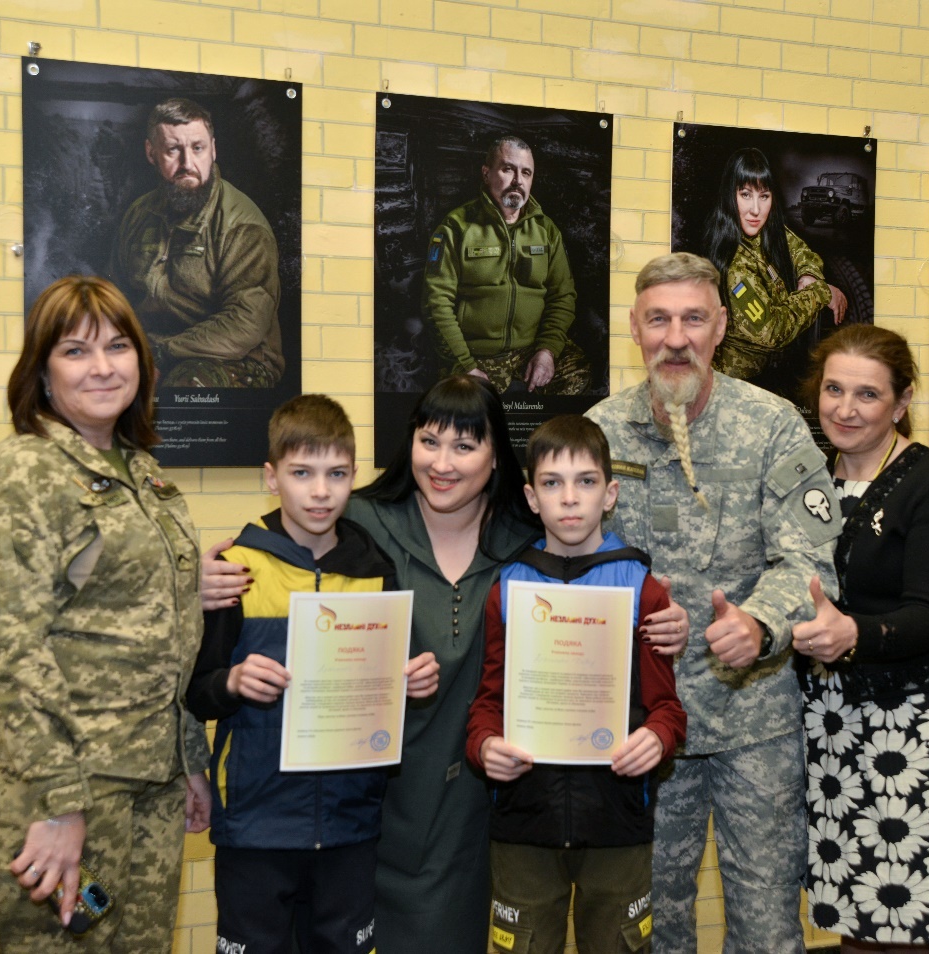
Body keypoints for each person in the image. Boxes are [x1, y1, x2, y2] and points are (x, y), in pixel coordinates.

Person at [199, 376, 689, 953]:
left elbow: (605, 581)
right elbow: (280, 551)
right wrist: (205, 580)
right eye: (430, 441)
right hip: (366, 798)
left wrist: (665, 621)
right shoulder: (359, 522)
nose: (443, 462)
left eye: (465, 445)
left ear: (495, 456)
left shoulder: (527, 540)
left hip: (494, 802)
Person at [0, 275, 212, 952]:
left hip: (144, 788)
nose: (102, 367)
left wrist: (188, 761)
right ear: (41, 371)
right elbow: (7, 655)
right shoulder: (20, 475)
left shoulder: (144, 475)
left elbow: (166, 631)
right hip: (58, 797)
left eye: (118, 347)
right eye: (75, 351)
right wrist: (58, 804)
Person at [586, 252, 841, 954]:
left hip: (753, 722)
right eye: (658, 319)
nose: (676, 337)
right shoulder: (599, 435)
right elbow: (562, 564)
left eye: (693, 318)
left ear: (720, 326)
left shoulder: (772, 425)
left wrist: (760, 623)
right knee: (647, 921)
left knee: (764, 924)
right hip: (642, 730)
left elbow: (811, 558)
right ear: (634, 330)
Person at [185, 394, 440, 954]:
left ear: (354, 476)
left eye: (337, 474)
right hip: (255, 822)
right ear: (272, 477)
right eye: (302, 473)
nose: (321, 491)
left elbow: (385, 687)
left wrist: (410, 682)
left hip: (350, 823)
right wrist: (232, 682)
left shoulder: (376, 570)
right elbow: (197, 692)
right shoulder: (237, 567)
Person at [793, 324, 929, 952]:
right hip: (832, 725)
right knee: (857, 912)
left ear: (902, 401)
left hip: (915, 725)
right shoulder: (806, 474)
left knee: (926, 917)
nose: (845, 408)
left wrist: (852, 632)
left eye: (867, 395)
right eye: (834, 389)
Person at [467, 414, 688, 954]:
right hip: (525, 822)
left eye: (586, 482)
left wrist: (657, 740)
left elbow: (668, 709)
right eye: (552, 483)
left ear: (610, 494)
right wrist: (483, 746)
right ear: (531, 496)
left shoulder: (642, 588)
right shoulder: (507, 587)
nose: (570, 498)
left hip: (615, 822)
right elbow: (488, 701)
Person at [109, 97, 283, 388]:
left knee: (187, 386)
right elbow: (115, 295)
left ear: (213, 150)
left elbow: (245, 324)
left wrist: (161, 351)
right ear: (151, 153)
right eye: (173, 150)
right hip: (151, 352)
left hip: (236, 359)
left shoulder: (242, 225)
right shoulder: (138, 214)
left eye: (198, 148)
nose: (187, 164)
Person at [422, 136, 588, 395]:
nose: (518, 181)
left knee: (579, 376)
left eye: (526, 173)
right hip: (476, 355)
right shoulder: (456, 227)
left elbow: (562, 296)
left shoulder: (546, 230)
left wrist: (546, 351)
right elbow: (436, 302)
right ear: (486, 173)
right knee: (476, 416)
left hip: (530, 350)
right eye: (508, 169)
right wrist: (465, 365)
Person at [702, 147, 846, 383]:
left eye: (764, 196)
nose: (756, 210)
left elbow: (801, 251)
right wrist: (820, 292)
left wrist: (808, 276)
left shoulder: (766, 229)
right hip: (737, 385)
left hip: (771, 375)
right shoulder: (735, 266)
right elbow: (772, 331)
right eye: (746, 195)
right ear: (730, 195)